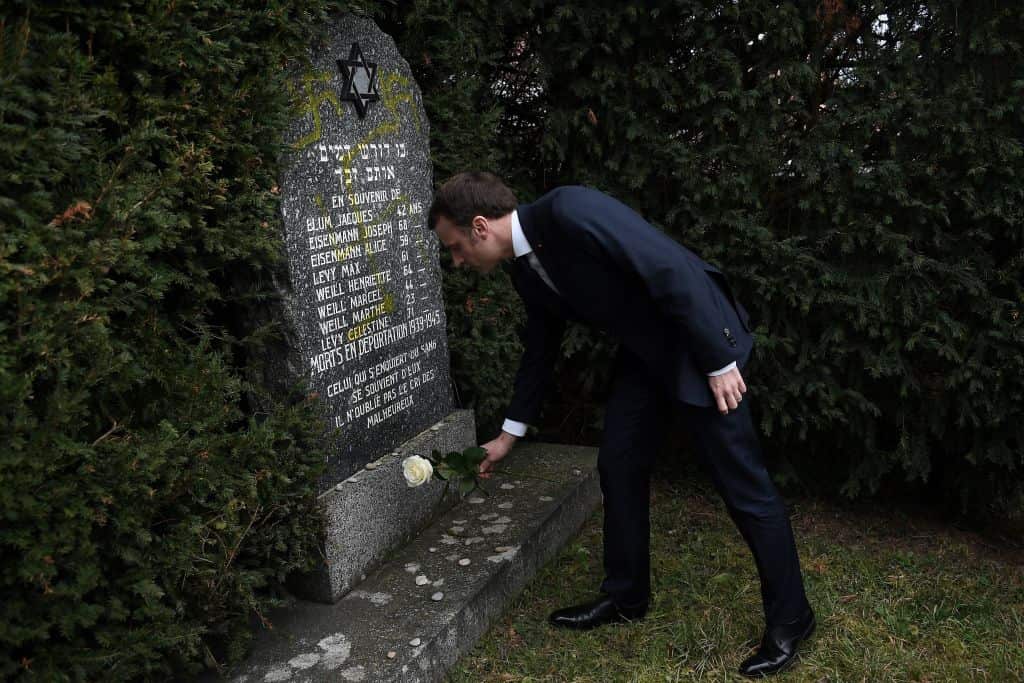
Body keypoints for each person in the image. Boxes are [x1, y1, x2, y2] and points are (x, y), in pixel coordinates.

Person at [429, 171, 814, 677]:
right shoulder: (523, 269)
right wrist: (507, 436)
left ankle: (793, 619)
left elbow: (667, 266)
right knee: (618, 463)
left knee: (743, 486)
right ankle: (626, 596)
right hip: (646, 355)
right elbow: (540, 347)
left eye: (455, 248)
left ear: (480, 227)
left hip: (697, 343)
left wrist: (718, 361)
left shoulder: (569, 209)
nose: (458, 261)